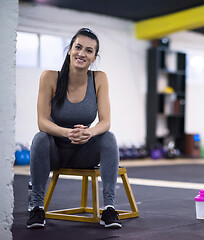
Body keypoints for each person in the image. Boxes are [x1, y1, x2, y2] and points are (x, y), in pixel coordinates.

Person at [27, 28, 121, 229]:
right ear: (69, 50)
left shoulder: (99, 79)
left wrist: (90, 132)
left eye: (89, 50)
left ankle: (110, 209)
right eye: (78, 47)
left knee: (109, 137)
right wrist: (67, 133)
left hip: (83, 153)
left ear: (94, 57)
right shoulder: (50, 78)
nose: (82, 53)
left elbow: (105, 121)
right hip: (55, 153)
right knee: (40, 138)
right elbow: (42, 122)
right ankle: (37, 208)